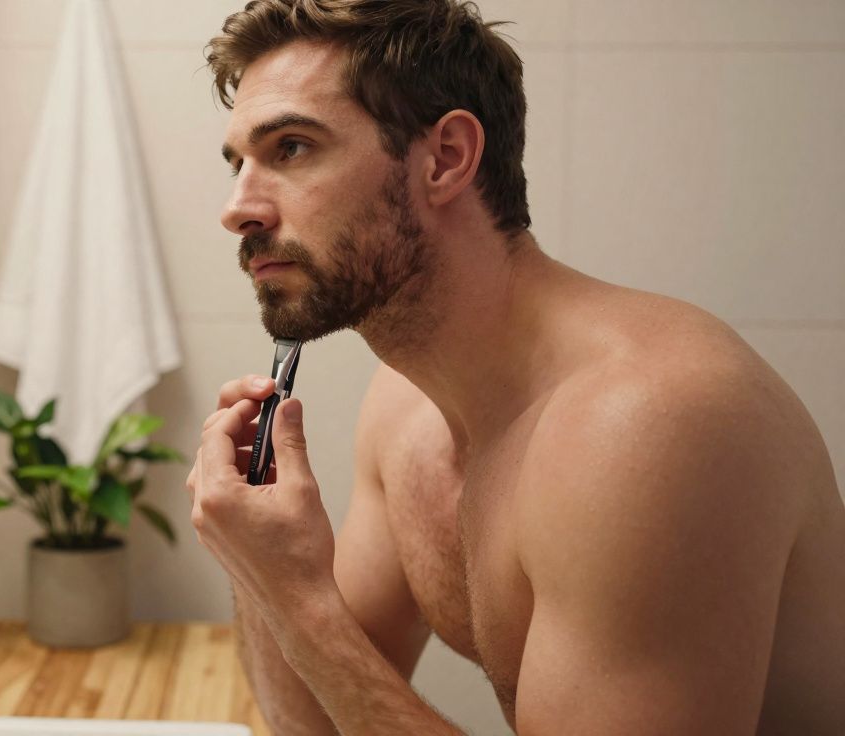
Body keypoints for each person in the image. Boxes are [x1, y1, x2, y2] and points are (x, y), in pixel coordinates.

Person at [183, 1, 845, 733]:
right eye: (238, 162)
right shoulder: (405, 409)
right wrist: (264, 575)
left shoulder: (649, 424)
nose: (237, 207)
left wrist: (302, 603)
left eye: (292, 148)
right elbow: (316, 723)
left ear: (446, 158)